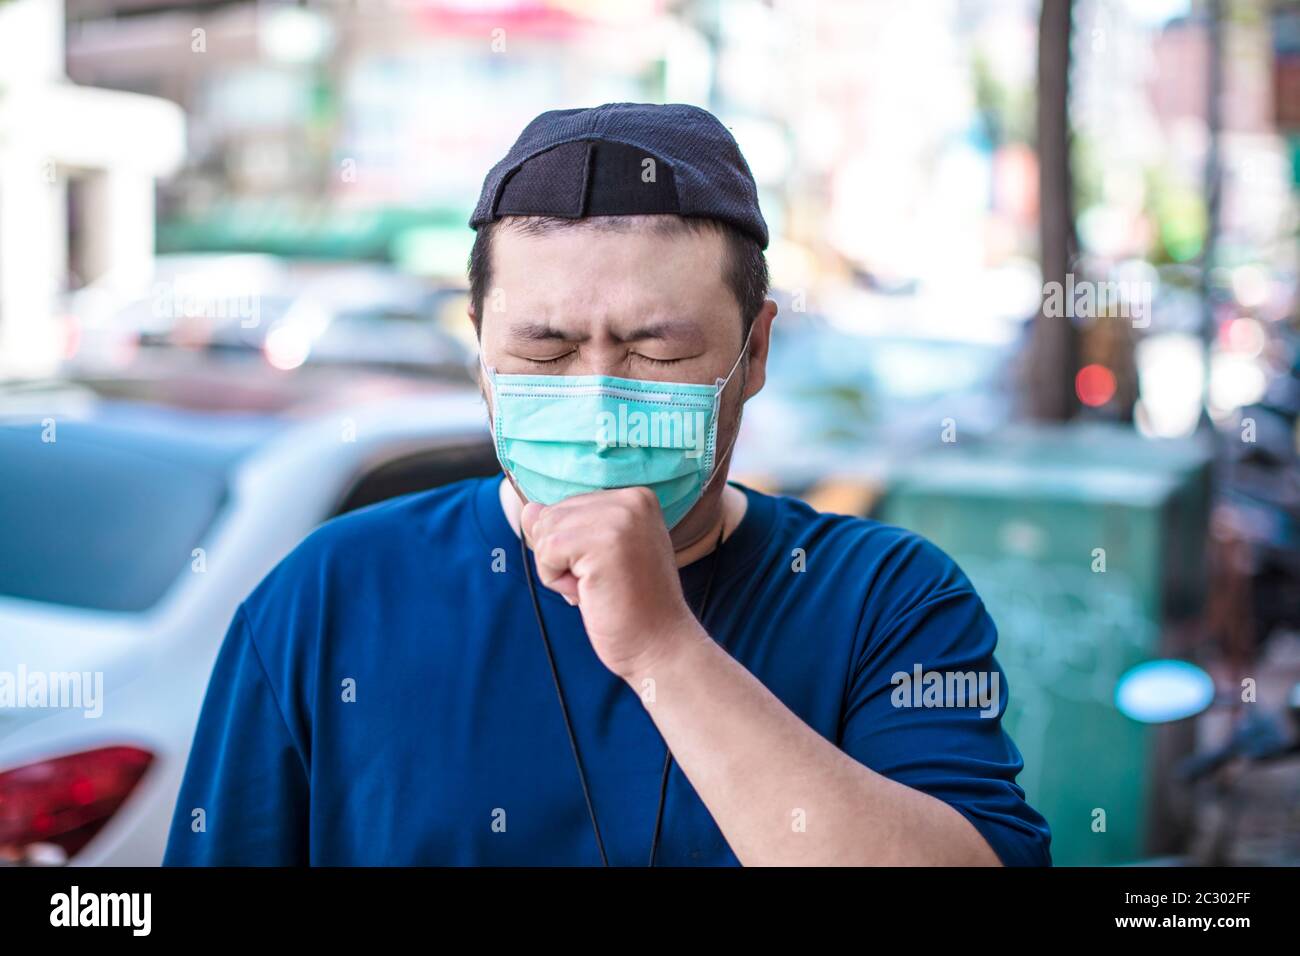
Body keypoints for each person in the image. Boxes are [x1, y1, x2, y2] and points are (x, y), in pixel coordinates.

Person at [163, 102, 1051, 866]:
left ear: (756, 351)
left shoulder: (884, 597)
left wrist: (666, 650)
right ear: (478, 347)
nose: (593, 396)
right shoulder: (328, 596)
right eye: (541, 351)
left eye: (655, 350)